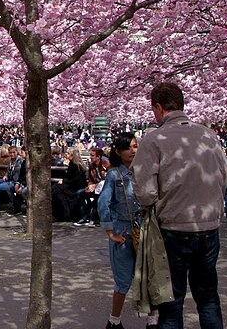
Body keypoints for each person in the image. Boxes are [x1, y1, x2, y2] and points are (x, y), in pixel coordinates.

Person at [132, 82, 227, 329]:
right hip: (209, 227)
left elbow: (145, 193)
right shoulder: (209, 135)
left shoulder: (154, 139)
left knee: (172, 304)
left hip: (173, 229)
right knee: (208, 298)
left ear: (158, 107)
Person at [98, 133, 158, 329]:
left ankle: (153, 318)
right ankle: (114, 320)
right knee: (123, 280)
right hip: (122, 230)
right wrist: (110, 232)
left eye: (135, 146)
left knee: (148, 274)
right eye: (128, 148)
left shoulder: (144, 171)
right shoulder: (115, 175)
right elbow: (103, 203)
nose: (133, 151)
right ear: (118, 151)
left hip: (144, 228)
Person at [0, 146, 24, 214]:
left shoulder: (20, 161)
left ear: (17, 152)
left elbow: (18, 175)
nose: (12, 154)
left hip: (15, 182)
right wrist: (5, 176)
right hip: (9, 179)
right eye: (10, 153)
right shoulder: (10, 160)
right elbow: (8, 171)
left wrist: (17, 183)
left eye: (14, 152)